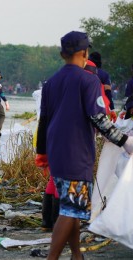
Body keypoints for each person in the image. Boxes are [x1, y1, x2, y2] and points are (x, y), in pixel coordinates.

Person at [36, 31, 133, 260]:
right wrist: (125, 141)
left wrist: (41, 153)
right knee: (71, 210)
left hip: (56, 152)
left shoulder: (51, 83)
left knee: (72, 206)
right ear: (85, 53)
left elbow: (44, 120)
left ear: (62, 54)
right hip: (76, 153)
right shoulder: (88, 80)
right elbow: (98, 118)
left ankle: (76, 255)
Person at [88, 52, 117, 122]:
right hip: (100, 107)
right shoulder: (104, 75)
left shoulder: (82, 73)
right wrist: (112, 109)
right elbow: (108, 93)